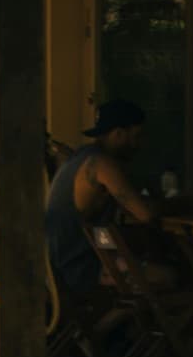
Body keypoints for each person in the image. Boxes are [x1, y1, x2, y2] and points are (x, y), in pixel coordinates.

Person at [45, 99, 156, 296]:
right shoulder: (101, 164)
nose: (140, 144)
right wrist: (183, 203)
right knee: (171, 276)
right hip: (77, 269)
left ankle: (117, 321)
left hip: (56, 268)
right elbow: (145, 214)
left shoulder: (79, 157)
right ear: (119, 134)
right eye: (137, 136)